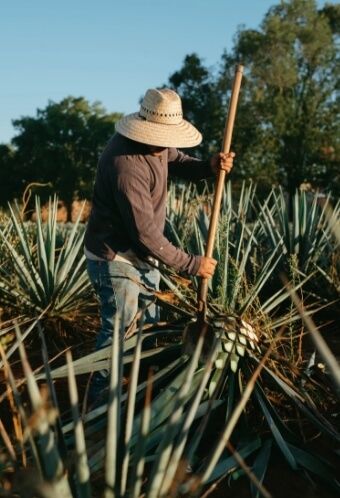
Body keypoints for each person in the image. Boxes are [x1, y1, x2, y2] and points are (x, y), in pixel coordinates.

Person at [84, 88, 235, 407]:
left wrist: (208, 165)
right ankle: (98, 405)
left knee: (148, 327)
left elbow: (179, 161)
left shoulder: (159, 145)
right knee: (119, 331)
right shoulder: (126, 165)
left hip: (143, 256)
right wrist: (193, 264)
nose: (168, 143)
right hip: (115, 257)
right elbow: (146, 234)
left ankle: (137, 394)